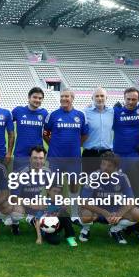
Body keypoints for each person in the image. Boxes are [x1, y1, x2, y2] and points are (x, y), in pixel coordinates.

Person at [79, 152, 139, 247]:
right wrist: (104, 212)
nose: (105, 168)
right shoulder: (93, 176)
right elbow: (82, 201)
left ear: (116, 168)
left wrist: (119, 214)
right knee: (86, 215)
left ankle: (115, 230)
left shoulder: (122, 177)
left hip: (115, 212)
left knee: (137, 214)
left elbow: (132, 201)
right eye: (103, 164)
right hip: (97, 212)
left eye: (109, 166)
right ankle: (85, 230)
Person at [44, 89, 88, 221]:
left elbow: (85, 134)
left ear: (72, 98)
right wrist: (53, 144)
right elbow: (45, 133)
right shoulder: (53, 115)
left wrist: (76, 145)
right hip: (55, 158)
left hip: (73, 158)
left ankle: (74, 214)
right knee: (55, 187)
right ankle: (55, 214)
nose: (64, 98)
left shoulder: (80, 115)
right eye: (62, 96)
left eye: (67, 96)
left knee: (74, 186)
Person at [112, 87, 139, 170]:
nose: (130, 102)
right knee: (118, 179)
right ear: (124, 98)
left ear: (138, 99)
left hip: (135, 153)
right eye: (128, 99)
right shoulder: (116, 111)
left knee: (134, 179)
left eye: (134, 99)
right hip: (118, 153)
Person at [11, 87, 48, 170]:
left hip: (38, 154)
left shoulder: (44, 113)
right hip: (21, 153)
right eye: (35, 97)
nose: (37, 100)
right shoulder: (18, 111)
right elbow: (6, 123)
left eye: (40, 98)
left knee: (36, 181)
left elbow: (47, 131)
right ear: (29, 97)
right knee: (18, 180)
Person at [82, 87, 113, 174]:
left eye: (102, 96)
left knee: (107, 183)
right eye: (97, 96)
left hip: (107, 153)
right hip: (90, 154)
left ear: (106, 98)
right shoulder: (84, 112)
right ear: (92, 98)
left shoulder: (112, 112)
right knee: (87, 182)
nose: (100, 98)